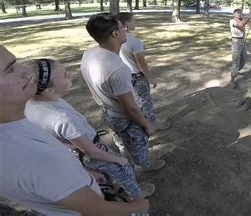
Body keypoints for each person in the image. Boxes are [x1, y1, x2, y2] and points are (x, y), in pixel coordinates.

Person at [0, 45, 149, 215]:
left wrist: (86, 175)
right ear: (48, 90)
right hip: (93, 157)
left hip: (82, 170)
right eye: (10, 69)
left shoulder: (27, 111)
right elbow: (97, 208)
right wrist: (139, 205)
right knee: (123, 173)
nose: (26, 71)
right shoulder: (49, 138)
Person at [24, 58, 155, 201]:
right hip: (89, 150)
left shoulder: (31, 104)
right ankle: (136, 196)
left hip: (73, 153)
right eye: (65, 75)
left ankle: (114, 189)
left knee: (103, 175)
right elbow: (90, 151)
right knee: (123, 169)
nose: (70, 74)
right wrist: (118, 159)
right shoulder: (62, 118)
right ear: (48, 90)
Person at [81, 13, 165, 172]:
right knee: (137, 143)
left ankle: (127, 158)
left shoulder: (89, 53)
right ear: (115, 33)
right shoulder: (117, 69)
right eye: (122, 27)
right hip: (124, 116)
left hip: (107, 111)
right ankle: (143, 167)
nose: (125, 30)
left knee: (121, 139)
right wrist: (148, 125)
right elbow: (130, 108)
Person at [117, 12, 170, 131]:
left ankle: (137, 120)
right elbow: (141, 64)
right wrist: (150, 78)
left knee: (132, 101)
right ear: (126, 24)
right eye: (133, 20)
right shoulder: (134, 42)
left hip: (124, 75)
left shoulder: (115, 39)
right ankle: (151, 124)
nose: (135, 22)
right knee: (145, 101)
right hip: (136, 77)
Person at [229, 8, 251, 87]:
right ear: (234, 14)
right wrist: (249, 17)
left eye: (240, 12)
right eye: (237, 13)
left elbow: (249, 19)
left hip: (242, 42)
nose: (239, 14)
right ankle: (232, 79)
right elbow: (241, 25)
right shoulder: (232, 21)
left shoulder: (242, 19)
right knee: (236, 61)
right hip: (236, 42)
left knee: (244, 59)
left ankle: (236, 71)